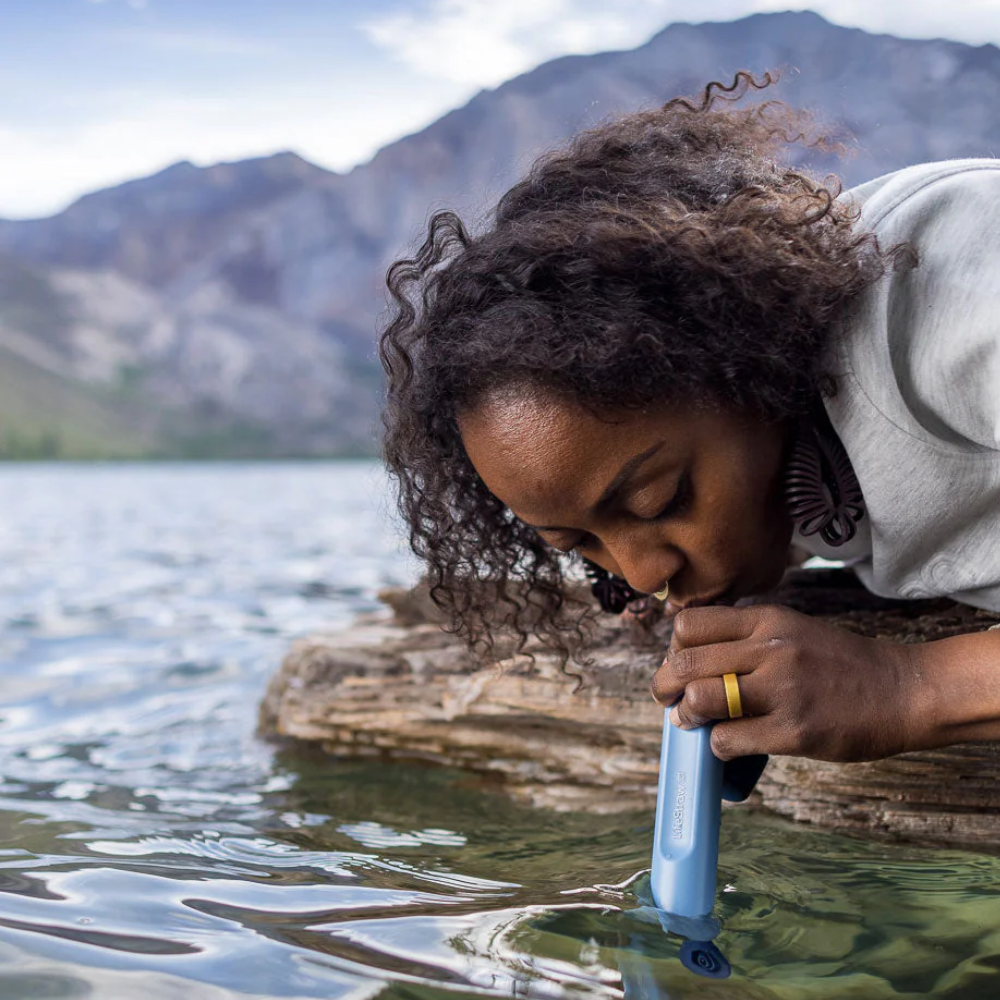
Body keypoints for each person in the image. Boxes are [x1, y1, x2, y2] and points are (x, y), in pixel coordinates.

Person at [378, 72, 1000, 767]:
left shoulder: (952, 286)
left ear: (743, 358)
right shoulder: (774, 446)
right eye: (581, 544)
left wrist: (913, 688)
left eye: (660, 498)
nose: (642, 574)